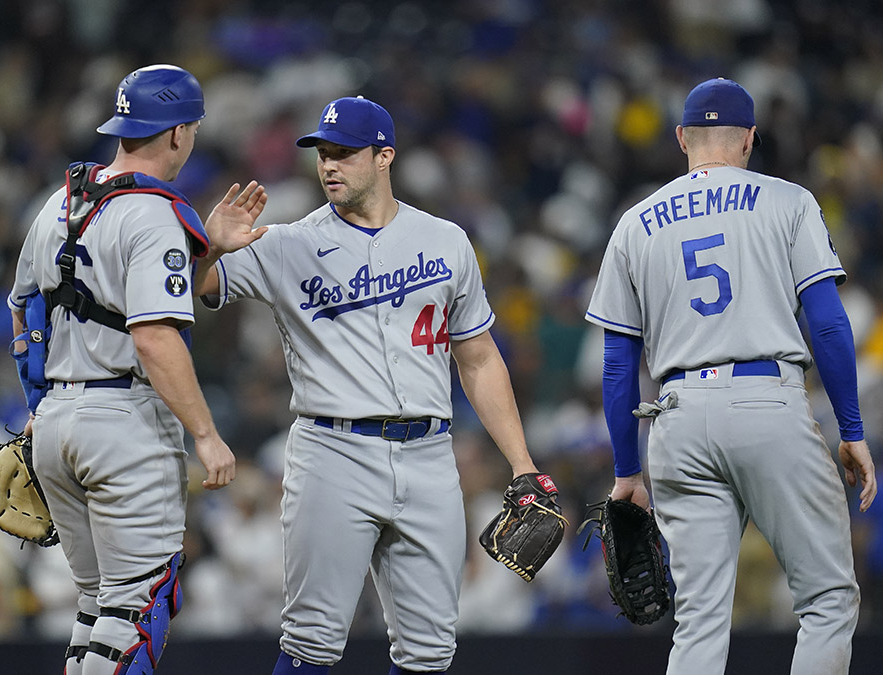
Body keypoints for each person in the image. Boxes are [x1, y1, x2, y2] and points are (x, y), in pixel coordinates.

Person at [194, 95, 553, 674]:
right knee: (311, 641)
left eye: (345, 154)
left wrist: (521, 463)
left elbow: (480, 359)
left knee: (430, 652)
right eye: (323, 154)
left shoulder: (445, 240)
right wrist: (208, 246)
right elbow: (191, 291)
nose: (329, 165)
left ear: (384, 156)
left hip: (430, 454)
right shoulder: (287, 243)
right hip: (332, 450)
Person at [585, 77, 877, 675]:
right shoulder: (787, 200)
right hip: (765, 400)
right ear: (749, 139)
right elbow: (826, 325)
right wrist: (851, 429)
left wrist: (626, 471)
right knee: (826, 599)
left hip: (677, 415)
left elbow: (618, 365)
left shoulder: (634, 223)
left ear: (681, 138)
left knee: (698, 622)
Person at [7, 64, 266, 675]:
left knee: (97, 608)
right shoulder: (152, 214)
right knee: (137, 611)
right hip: (122, 423)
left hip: (57, 424)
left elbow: (26, 316)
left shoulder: (62, 199)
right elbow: (153, 337)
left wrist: (40, 410)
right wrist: (205, 434)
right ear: (177, 134)